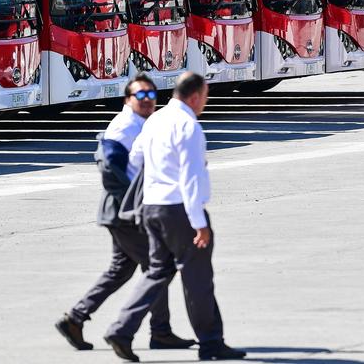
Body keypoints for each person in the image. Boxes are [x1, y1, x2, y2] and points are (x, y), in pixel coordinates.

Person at [104, 72, 246, 362]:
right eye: (205, 97)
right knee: (198, 278)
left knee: (157, 271)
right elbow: (192, 179)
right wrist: (199, 224)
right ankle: (211, 343)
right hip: (179, 209)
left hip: (152, 208)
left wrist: (155, 183)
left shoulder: (155, 119)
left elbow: (135, 159)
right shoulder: (188, 126)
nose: (205, 103)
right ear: (195, 97)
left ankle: (121, 328)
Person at [55, 74, 194, 352]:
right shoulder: (124, 126)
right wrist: (133, 202)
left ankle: (76, 318)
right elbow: (109, 167)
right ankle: (153, 332)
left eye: (152, 96)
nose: (147, 101)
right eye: (140, 96)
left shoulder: (141, 123)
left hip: (126, 211)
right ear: (127, 100)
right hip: (126, 213)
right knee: (160, 267)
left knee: (121, 269)